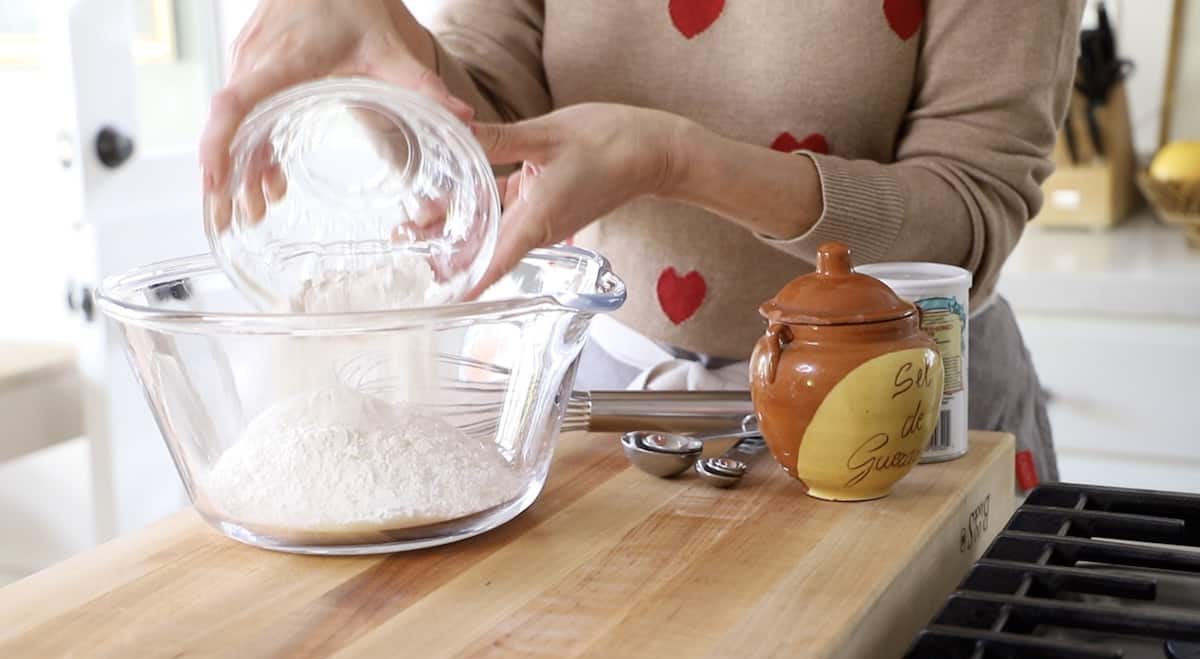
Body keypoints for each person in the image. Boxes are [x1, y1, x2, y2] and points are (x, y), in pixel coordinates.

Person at [200, 0, 1087, 488]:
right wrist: (383, 50)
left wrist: (676, 160)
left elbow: (968, 221)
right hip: (615, 423)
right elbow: (493, 135)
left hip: (899, 421)